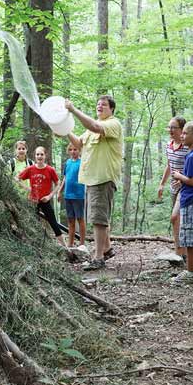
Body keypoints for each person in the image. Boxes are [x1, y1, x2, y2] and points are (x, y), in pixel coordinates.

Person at [65, 95, 123, 271]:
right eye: (98, 104)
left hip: (103, 177)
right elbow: (78, 143)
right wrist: (63, 128)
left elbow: (95, 126)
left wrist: (73, 110)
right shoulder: (90, 129)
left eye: (104, 105)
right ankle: (106, 249)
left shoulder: (113, 124)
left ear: (112, 109)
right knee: (98, 215)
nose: (100, 106)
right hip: (91, 179)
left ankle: (98, 258)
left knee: (98, 219)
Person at [170, 121, 193, 283]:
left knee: (190, 238)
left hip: (191, 201)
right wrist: (182, 181)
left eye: (185, 133)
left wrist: (178, 176)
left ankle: (190, 272)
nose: (182, 136)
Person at [17, 146, 67, 248]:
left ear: (45, 156)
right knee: (33, 224)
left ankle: (65, 247)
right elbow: (17, 178)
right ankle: (35, 247)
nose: (39, 156)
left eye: (41, 154)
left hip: (45, 201)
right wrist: (28, 189)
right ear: (35, 156)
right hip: (33, 201)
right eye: (37, 154)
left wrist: (50, 196)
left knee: (53, 223)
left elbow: (58, 183)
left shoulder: (50, 170)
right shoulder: (30, 169)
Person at [158, 116, 189, 264]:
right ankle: (180, 252)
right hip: (173, 187)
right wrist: (162, 184)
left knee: (175, 218)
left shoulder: (188, 147)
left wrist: (183, 178)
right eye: (169, 127)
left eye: (174, 127)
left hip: (187, 188)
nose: (170, 130)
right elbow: (169, 165)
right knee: (177, 221)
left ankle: (181, 252)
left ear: (182, 130)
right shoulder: (169, 145)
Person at [58, 143, 88, 254]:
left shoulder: (82, 163)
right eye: (70, 150)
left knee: (80, 219)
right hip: (68, 195)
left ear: (79, 151)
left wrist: (87, 193)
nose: (73, 151)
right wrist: (60, 191)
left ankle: (82, 244)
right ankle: (70, 244)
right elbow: (65, 178)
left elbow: (86, 178)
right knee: (70, 220)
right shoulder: (68, 163)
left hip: (79, 195)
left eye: (75, 149)